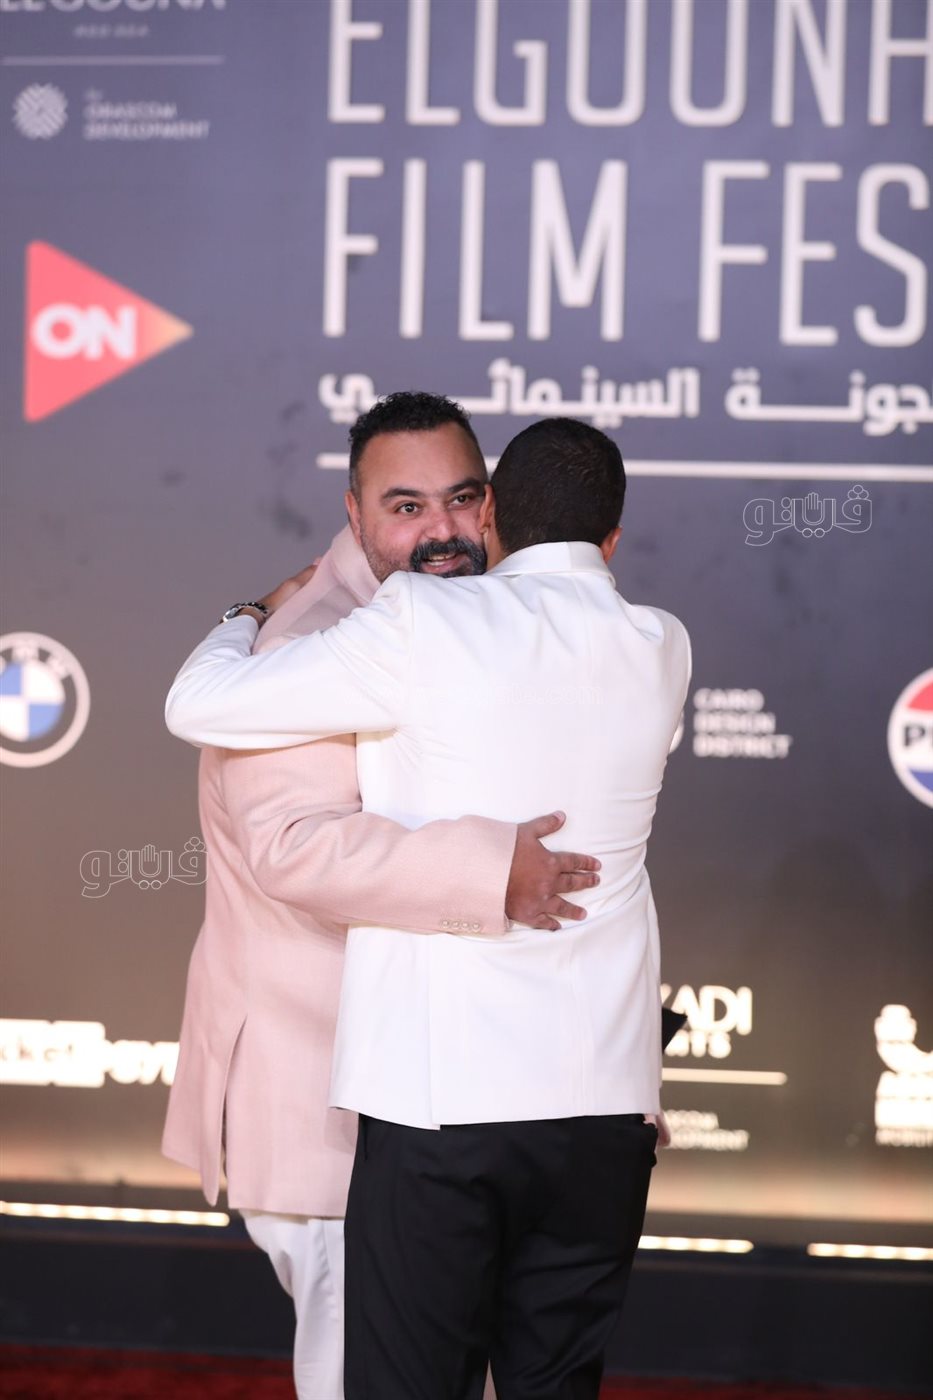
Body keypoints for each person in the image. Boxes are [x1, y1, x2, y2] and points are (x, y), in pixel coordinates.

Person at [165, 416, 691, 1400]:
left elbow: (200, 699)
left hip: (457, 1110)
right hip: (398, 1111)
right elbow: (292, 848)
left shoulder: (431, 622)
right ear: (353, 512)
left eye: (458, 498)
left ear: (490, 511)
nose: (440, 528)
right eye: (406, 505)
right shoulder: (657, 640)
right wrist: (488, 869)